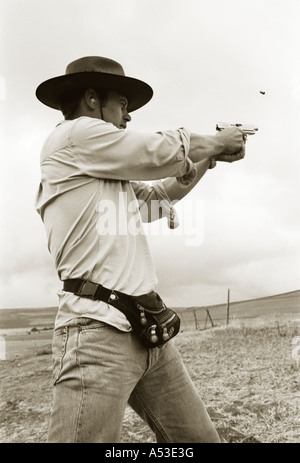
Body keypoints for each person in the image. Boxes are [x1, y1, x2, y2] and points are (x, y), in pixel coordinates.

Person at [35, 56, 246, 443]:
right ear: (93, 100)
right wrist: (215, 140)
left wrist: (206, 158)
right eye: (123, 104)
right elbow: (154, 150)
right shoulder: (76, 135)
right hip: (96, 337)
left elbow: (158, 197)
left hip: (145, 329)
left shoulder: (100, 167)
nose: (128, 117)